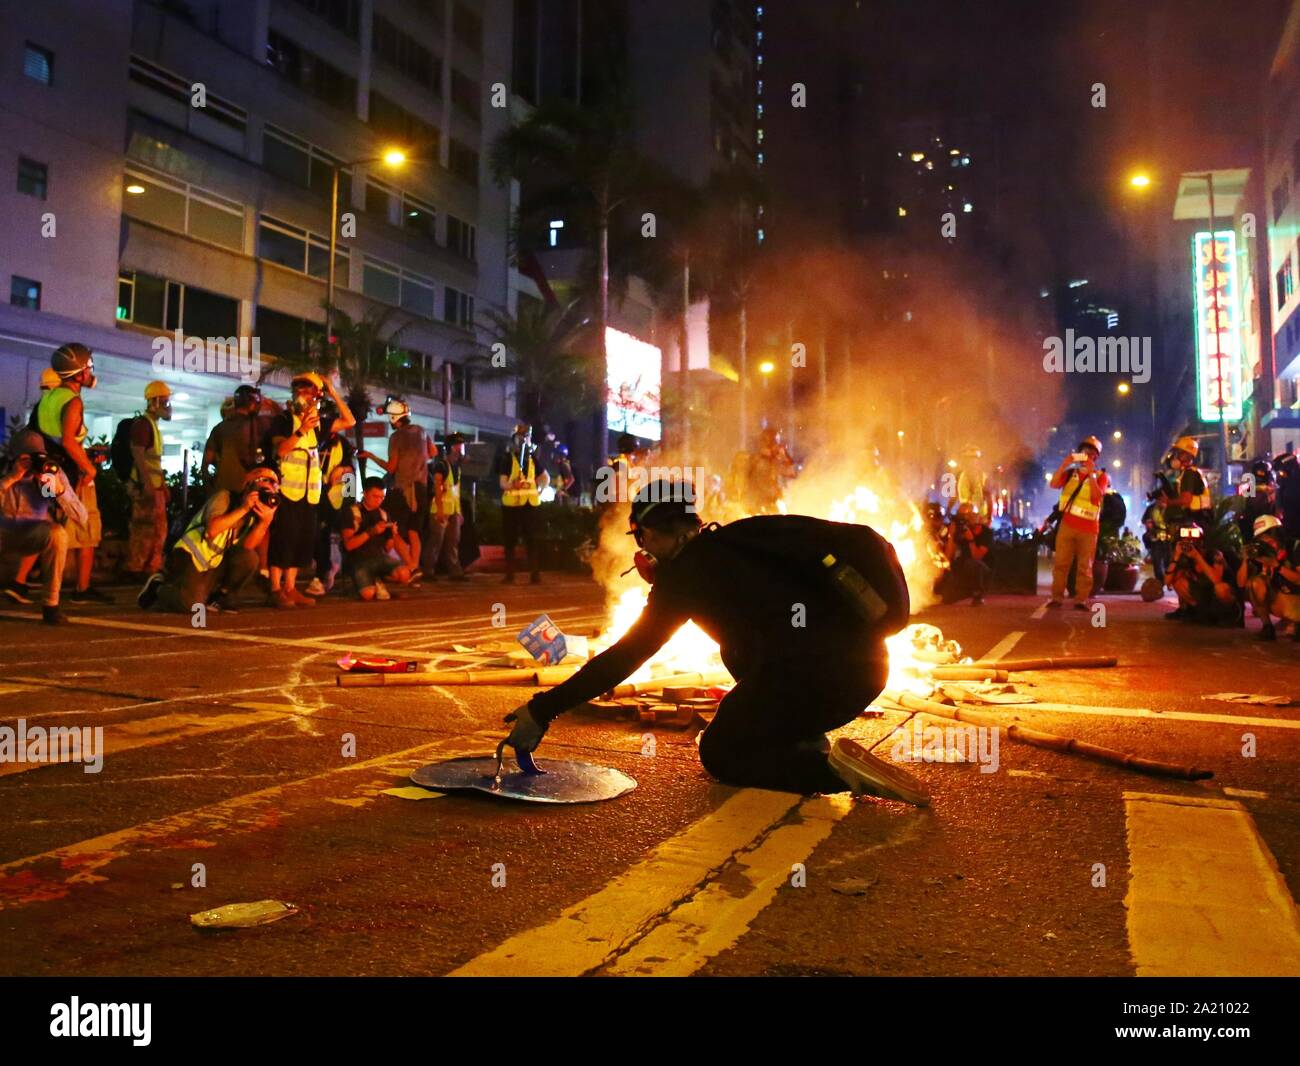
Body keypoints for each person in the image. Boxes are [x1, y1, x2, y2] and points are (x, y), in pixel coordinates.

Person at [499, 479, 927, 803]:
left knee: (721, 753)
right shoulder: (740, 540)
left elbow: (628, 654)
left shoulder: (686, 577)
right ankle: (799, 739)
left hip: (820, 680)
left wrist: (542, 710)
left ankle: (836, 773)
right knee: (739, 659)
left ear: (660, 531)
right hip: (865, 671)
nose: (643, 549)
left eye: (642, 537)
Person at [266, 372, 355, 608]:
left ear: (316, 397)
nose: (301, 395)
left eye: (307, 391)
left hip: (310, 494)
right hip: (286, 491)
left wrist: (334, 391)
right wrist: (300, 431)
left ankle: (290, 587)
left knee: (300, 541)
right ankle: (276, 588)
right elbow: (280, 451)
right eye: (298, 390)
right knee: (282, 540)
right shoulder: (284, 419)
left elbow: (350, 421)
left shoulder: (319, 424)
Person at [138, 467, 279, 614]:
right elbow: (213, 529)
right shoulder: (225, 497)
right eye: (261, 491)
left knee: (250, 558)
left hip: (212, 561)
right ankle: (159, 588)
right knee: (191, 605)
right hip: (188, 555)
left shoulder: (253, 515)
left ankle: (221, 597)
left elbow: (249, 546)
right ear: (248, 487)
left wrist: (265, 522)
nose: (264, 496)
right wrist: (243, 509)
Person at [32, 344, 108, 603]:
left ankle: (20, 583)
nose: (91, 372)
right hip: (70, 475)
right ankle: (79, 590)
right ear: (77, 373)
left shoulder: (49, 398)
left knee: (49, 526)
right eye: (88, 367)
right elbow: (68, 441)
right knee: (86, 527)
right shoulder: (72, 401)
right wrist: (90, 468)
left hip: (47, 472)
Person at [0, 431, 87, 624]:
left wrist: (58, 490)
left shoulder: (49, 473)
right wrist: (12, 478)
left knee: (58, 535)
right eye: (26, 458)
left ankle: (51, 606)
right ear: (13, 456)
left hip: (31, 533)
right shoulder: (4, 469)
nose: (32, 463)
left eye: (36, 457)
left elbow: (81, 517)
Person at [359, 399, 434, 579]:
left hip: (404, 490)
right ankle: (415, 567)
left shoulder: (397, 437)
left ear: (394, 418)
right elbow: (433, 453)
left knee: (392, 527)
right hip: (422, 489)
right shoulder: (422, 431)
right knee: (414, 531)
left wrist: (371, 456)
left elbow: (391, 468)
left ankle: (410, 566)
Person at [1047, 435, 1109, 610]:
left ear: (1096, 457)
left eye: (1091, 453)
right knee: (1061, 564)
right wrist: (1064, 464)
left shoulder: (1101, 476)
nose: (1086, 455)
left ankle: (1081, 599)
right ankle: (1056, 597)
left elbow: (1097, 497)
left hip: (1089, 529)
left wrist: (1090, 474)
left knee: (1085, 567)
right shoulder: (1069, 474)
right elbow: (1053, 484)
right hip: (1068, 525)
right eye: (1084, 451)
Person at [123, 380, 173, 579]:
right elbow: (139, 455)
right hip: (146, 486)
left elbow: (154, 461)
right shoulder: (143, 425)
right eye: (165, 402)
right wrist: (147, 484)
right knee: (144, 530)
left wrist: (163, 485)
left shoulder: (151, 425)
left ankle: (150, 568)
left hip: (154, 485)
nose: (168, 407)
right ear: (154, 402)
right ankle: (137, 568)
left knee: (157, 529)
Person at [341, 477, 413, 601]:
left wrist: (393, 535)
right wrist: (371, 532)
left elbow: (387, 547)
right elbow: (349, 545)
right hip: (358, 560)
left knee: (404, 574)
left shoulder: (383, 514)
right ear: (364, 494)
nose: (379, 501)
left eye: (381, 497)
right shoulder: (353, 513)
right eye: (375, 496)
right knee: (368, 594)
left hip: (379, 558)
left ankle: (378, 581)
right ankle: (357, 586)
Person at [497, 422, 549, 584]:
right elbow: (502, 482)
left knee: (532, 539)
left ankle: (535, 573)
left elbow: (544, 477)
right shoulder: (508, 458)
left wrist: (540, 488)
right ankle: (510, 574)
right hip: (512, 506)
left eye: (526, 437)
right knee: (510, 539)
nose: (523, 440)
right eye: (521, 437)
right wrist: (513, 485)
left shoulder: (532, 458)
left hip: (530, 505)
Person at [1236, 514, 1300, 641]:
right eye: (1262, 540)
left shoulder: (1295, 547)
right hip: (1281, 601)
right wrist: (1245, 560)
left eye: (1269, 539)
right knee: (1255, 584)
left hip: (1296, 600)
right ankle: (1267, 627)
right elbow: (1241, 583)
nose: (1266, 543)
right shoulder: (1261, 554)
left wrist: (1277, 566)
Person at [1166, 520, 1239, 625]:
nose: (1190, 541)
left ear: (1201, 540)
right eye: (1186, 538)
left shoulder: (1213, 554)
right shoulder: (1184, 557)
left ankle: (1223, 616)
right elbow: (1167, 581)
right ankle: (1198, 612)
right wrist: (1176, 557)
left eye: (1193, 537)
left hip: (1222, 600)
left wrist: (1197, 556)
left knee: (1220, 588)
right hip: (1202, 598)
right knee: (1178, 579)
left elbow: (1217, 580)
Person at [310, 430, 356, 595]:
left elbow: (351, 473)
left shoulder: (342, 444)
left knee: (327, 536)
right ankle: (322, 571)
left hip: (335, 500)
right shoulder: (310, 437)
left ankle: (322, 575)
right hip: (312, 495)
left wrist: (343, 470)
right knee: (316, 536)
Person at [202, 385, 270, 495]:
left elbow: (205, 464)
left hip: (223, 489)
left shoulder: (219, 428)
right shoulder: (262, 425)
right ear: (251, 402)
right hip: (252, 490)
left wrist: (210, 490)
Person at [423, 432, 468, 580]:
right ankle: (428, 571)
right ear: (450, 448)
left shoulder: (457, 468)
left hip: (453, 511)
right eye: (457, 446)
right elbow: (437, 487)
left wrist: (459, 512)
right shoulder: (441, 465)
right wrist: (440, 511)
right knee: (436, 542)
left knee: (453, 542)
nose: (460, 449)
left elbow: (456, 492)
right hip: (440, 511)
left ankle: (455, 572)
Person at [938, 502, 992, 605]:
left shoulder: (986, 533)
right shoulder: (960, 531)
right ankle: (964, 592)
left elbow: (977, 556)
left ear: (976, 515)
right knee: (946, 598)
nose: (966, 519)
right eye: (962, 516)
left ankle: (978, 594)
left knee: (973, 564)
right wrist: (951, 536)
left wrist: (971, 540)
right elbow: (948, 558)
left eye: (969, 515)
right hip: (964, 571)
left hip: (982, 571)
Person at [1157, 436, 1211, 531]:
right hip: (1201, 517)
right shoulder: (1191, 472)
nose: (1175, 456)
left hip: (1197, 518)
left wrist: (1167, 502)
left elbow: (1186, 500)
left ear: (1187, 455)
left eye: (1178, 453)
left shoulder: (1190, 473)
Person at [956, 445, 989, 519]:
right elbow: (962, 497)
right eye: (969, 459)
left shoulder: (982, 476)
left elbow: (988, 496)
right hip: (969, 517)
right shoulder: (964, 477)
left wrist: (988, 517)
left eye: (974, 459)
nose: (972, 462)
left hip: (980, 517)